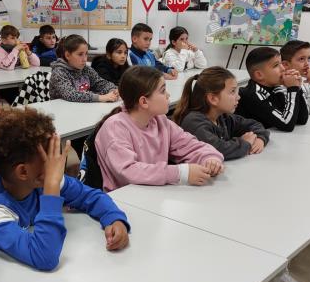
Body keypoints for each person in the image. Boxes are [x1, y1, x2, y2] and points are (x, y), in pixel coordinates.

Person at [0, 107, 130, 271]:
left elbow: (90, 196)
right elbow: (44, 256)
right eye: (50, 158)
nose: (57, 163)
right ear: (23, 172)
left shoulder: (36, 178)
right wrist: (52, 187)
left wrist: (114, 219)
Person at [95, 65, 224, 192]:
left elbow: (189, 145)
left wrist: (210, 158)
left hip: (154, 192)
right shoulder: (115, 127)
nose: (168, 95)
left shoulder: (160, 120)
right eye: (162, 91)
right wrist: (180, 173)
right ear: (144, 102)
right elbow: (128, 171)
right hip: (124, 198)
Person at [174, 66, 270, 160]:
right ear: (213, 99)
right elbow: (218, 149)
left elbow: (254, 124)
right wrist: (245, 142)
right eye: (232, 91)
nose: (238, 97)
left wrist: (260, 138)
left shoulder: (222, 117)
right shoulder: (194, 121)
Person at [236, 47, 309, 131]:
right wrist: (293, 88)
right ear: (259, 75)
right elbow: (286, 124)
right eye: (276, 65)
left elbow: (301, 119)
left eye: (281, 63)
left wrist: (297, 88)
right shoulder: (252, 94)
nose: (283, 68)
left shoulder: (275, 88)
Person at [49, 35, 119, 103]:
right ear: (67, 55)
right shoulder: (59, 72)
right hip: (61, 109)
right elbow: (71, 95)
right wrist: (100, 97)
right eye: (80, 54)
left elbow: (100, 83)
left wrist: (113, 90)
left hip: (82, 108)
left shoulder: (86, 69)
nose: (85, 59)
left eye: (86, 54)